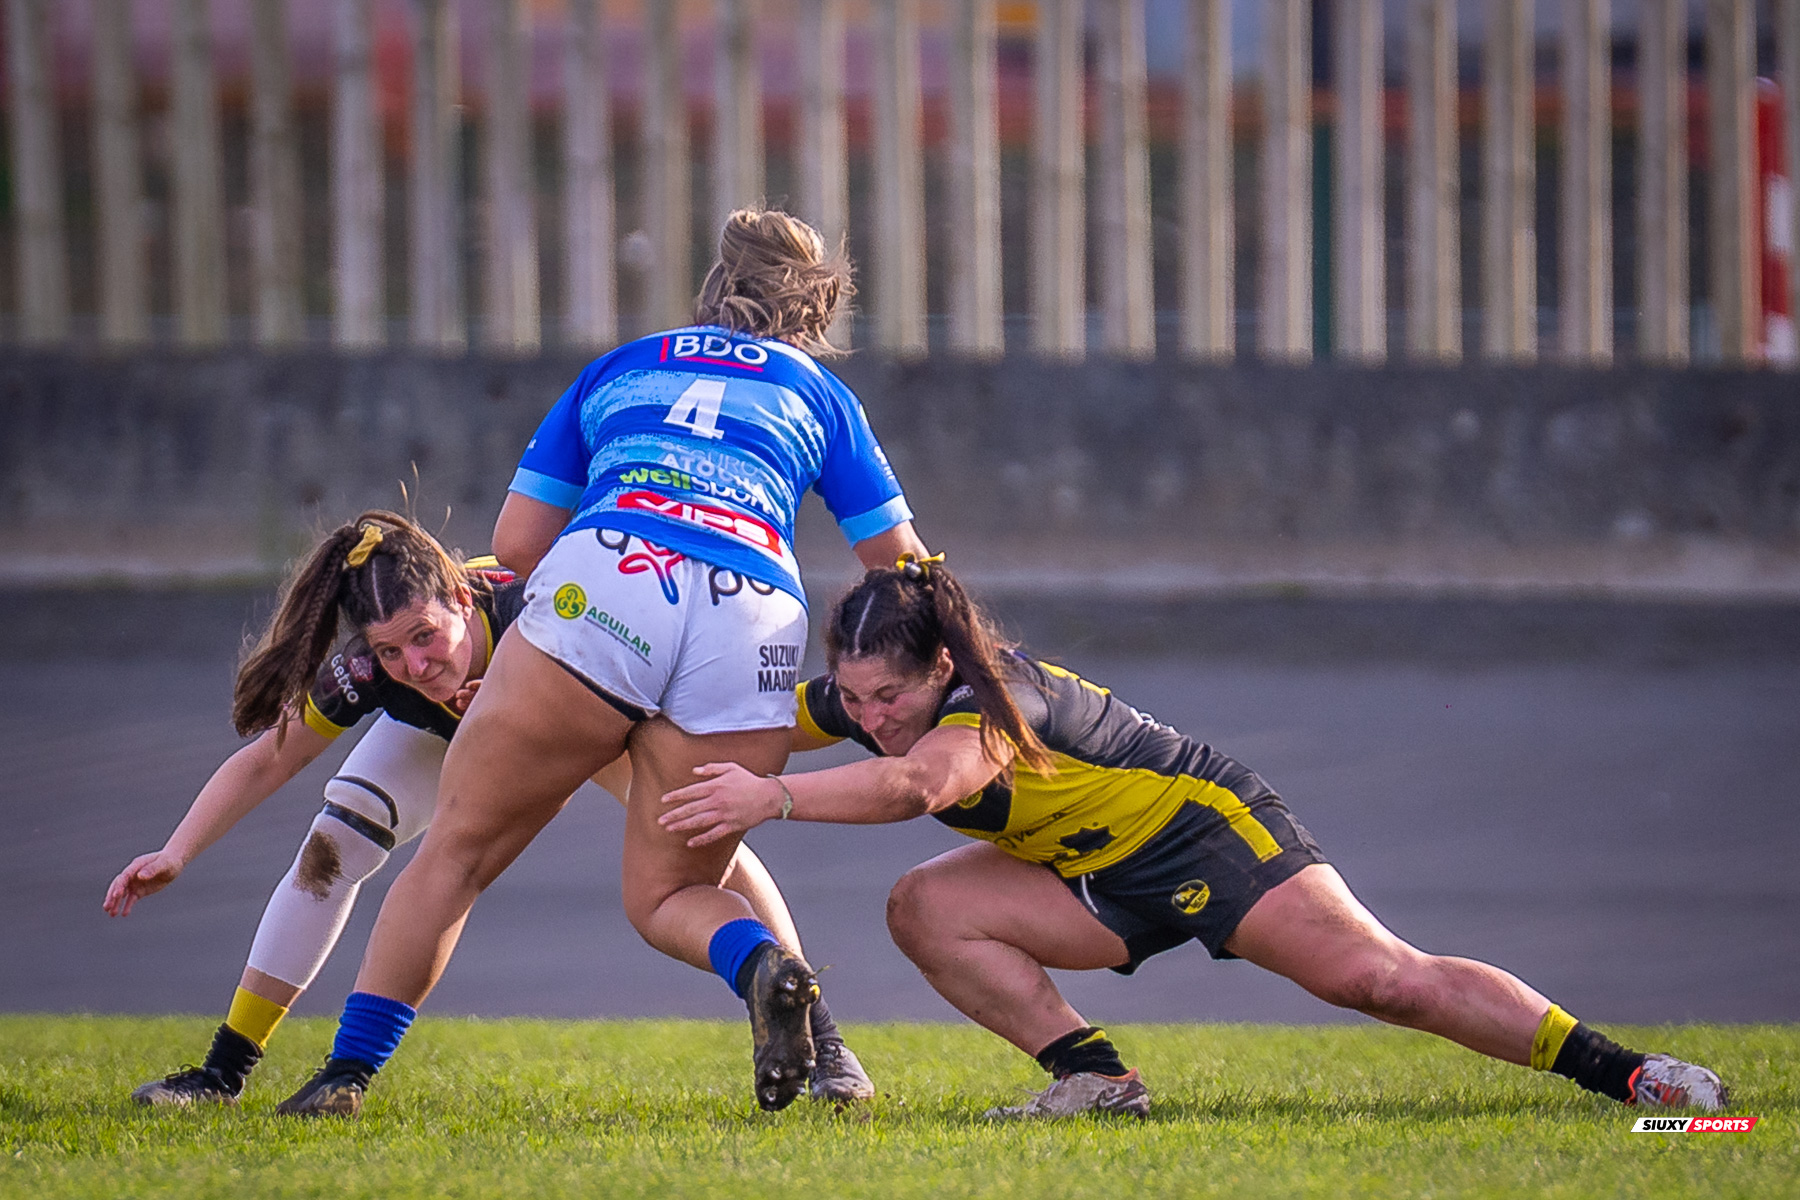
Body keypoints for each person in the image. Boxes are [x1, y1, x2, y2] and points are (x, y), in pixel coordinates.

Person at [658, 557, 1731, 1119]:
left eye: (887, 695)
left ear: (939, 668)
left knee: (1380, 981)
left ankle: (1632, 1079)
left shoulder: (991, 699)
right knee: (924, 906)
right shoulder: (869, 695)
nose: (867, 714)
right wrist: (597, 719)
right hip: (1087, 876)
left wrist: (777, 803)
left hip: (1198, 836)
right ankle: (1093, 1078)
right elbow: (743, 724)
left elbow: (911, 788)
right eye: (852, 698)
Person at [276, 209, 928, 1117]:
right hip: (755, 616)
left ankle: (345, 1077)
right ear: (818, 307)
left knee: (457, 851)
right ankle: (787, 998)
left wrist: (571, 654)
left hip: (611, 574)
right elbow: (901, 567)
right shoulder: (820, 396)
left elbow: (516, 541)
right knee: (672, 893)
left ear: (712, 282)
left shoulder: (625, 364)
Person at [106, 510, 869, 1106]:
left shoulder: (537, 599)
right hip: (455, 732)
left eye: (426, 637)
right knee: (335, 841)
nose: (415, 664)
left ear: (461, 597)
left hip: (584, 720)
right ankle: (224, 1071)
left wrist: (518, 706)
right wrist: (178, 849)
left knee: (706, 835)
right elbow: (271, 755)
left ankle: (822, 1037)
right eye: (392, 651)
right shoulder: (378, 665)